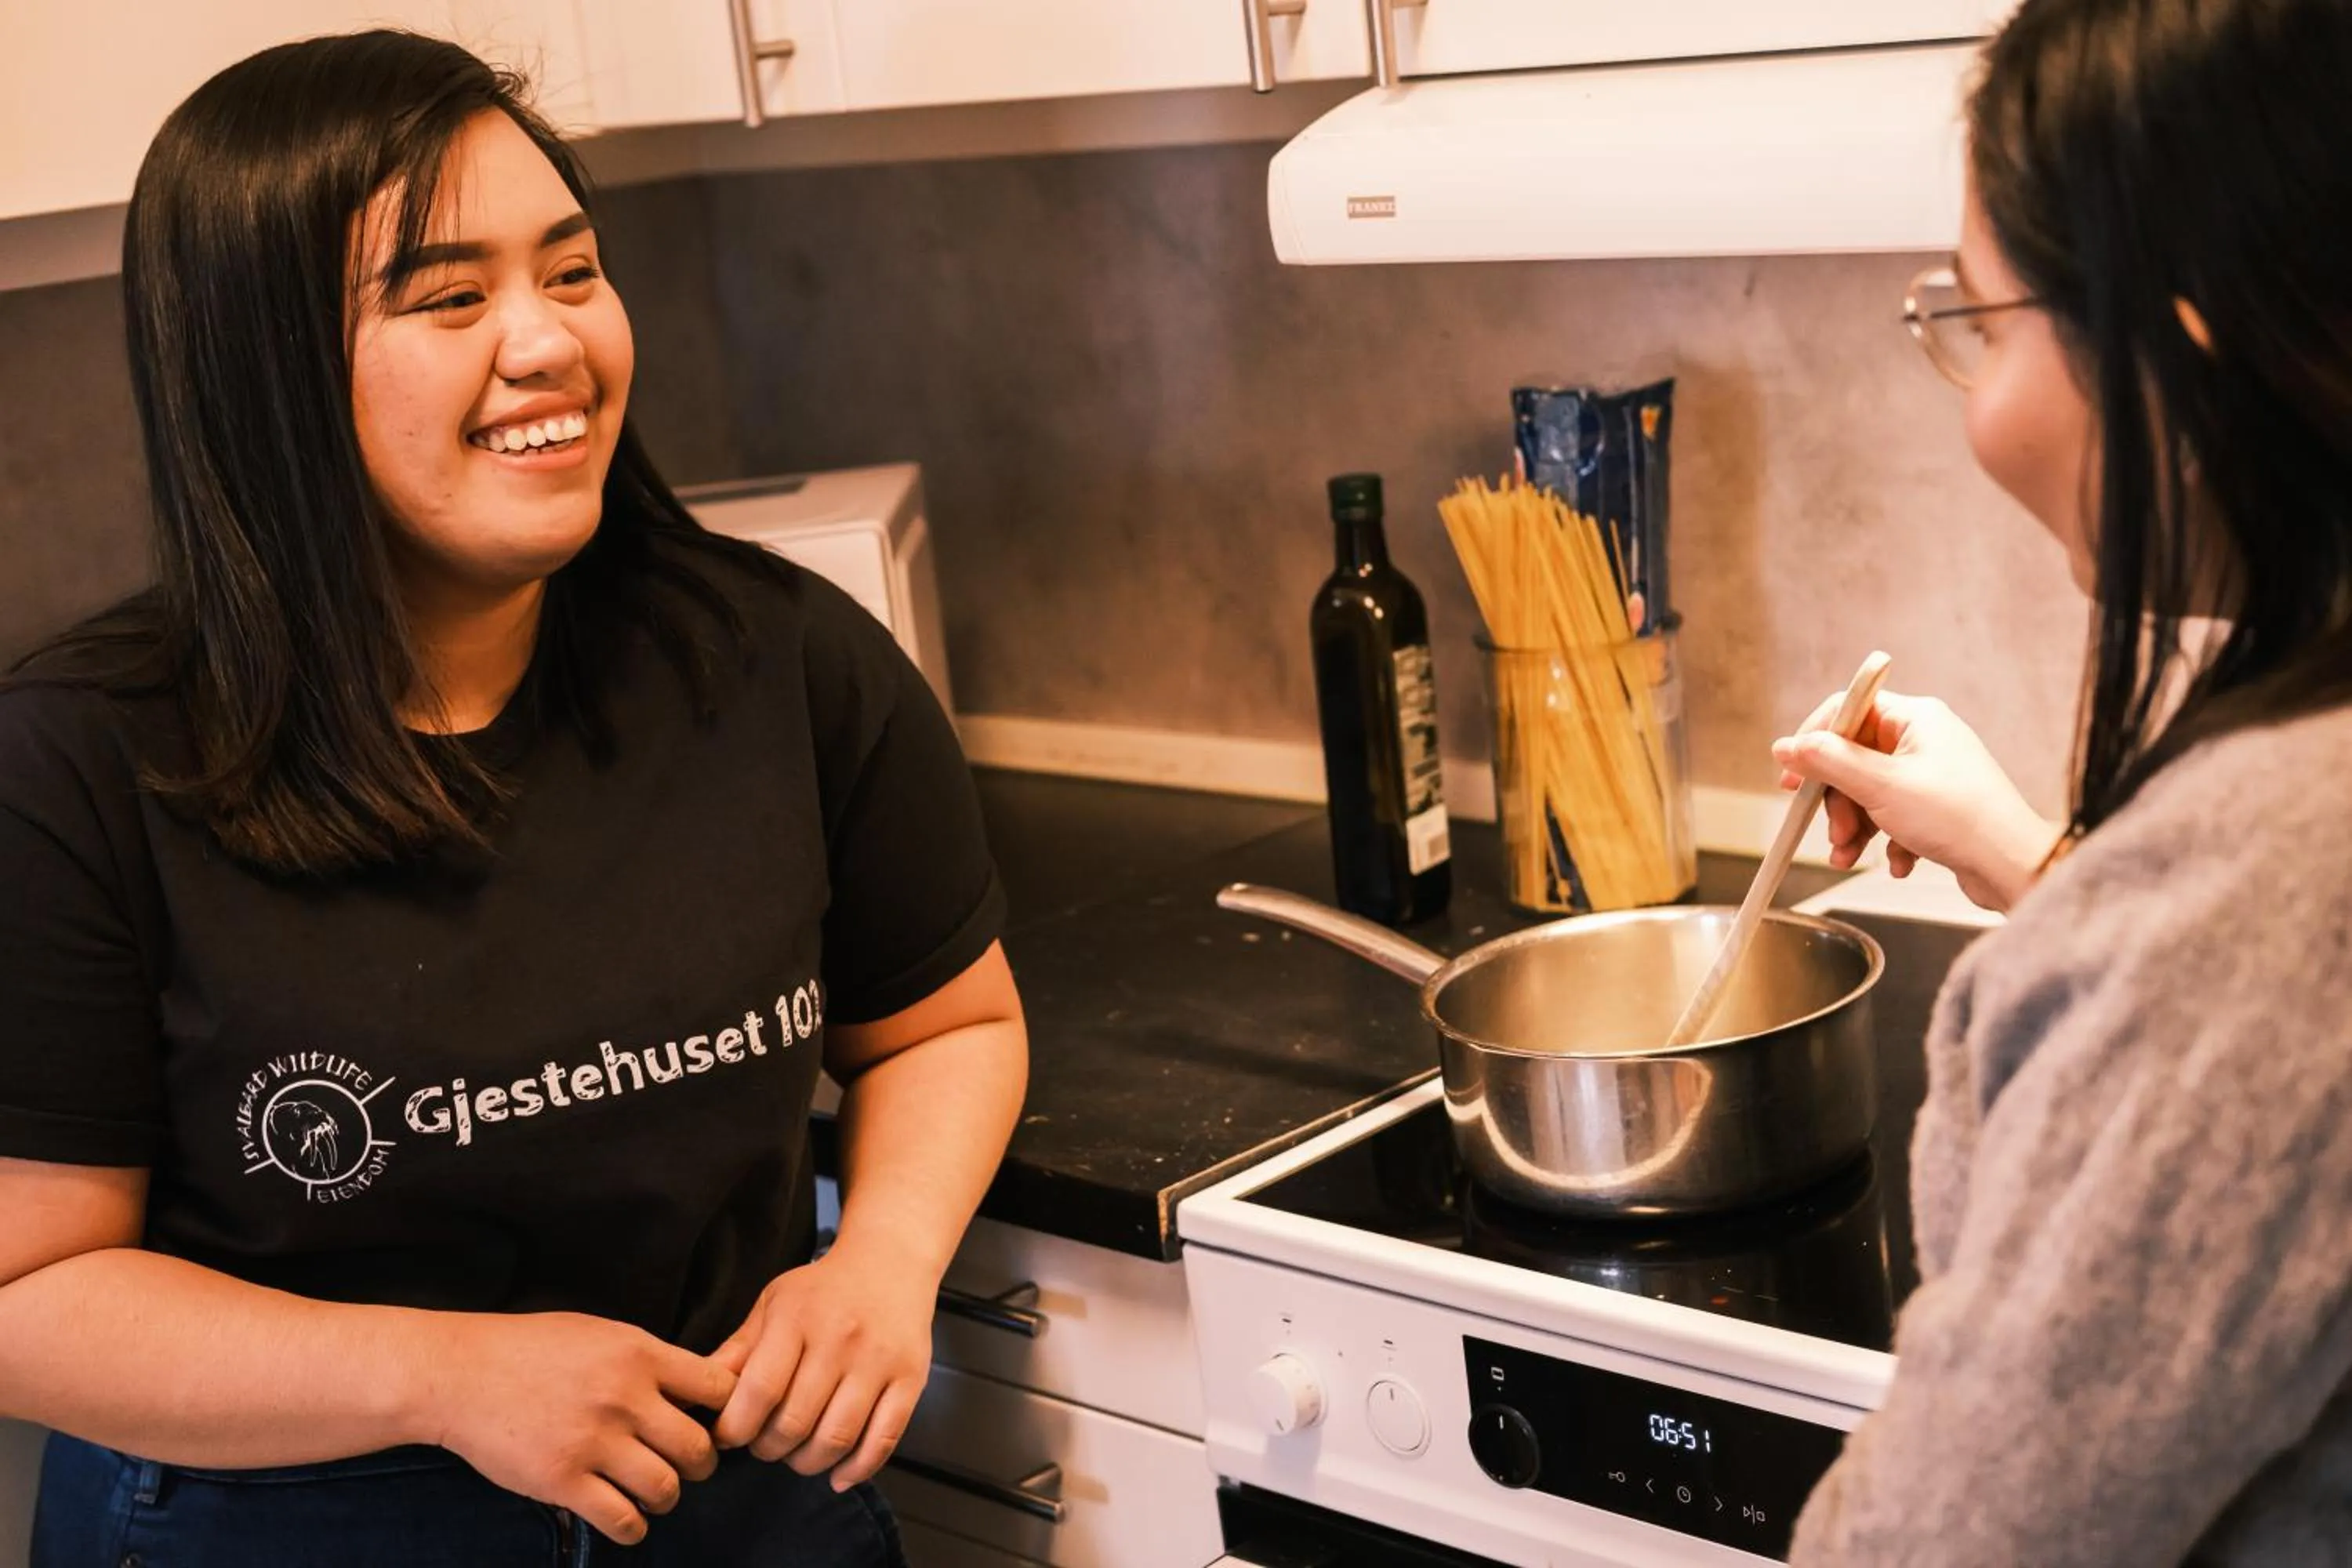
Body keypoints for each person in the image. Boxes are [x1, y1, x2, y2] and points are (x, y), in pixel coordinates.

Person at [0, 30, 1028, 1567]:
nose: (551, 343)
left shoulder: (779, 661)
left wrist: (877, 1260)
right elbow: (27, 1292)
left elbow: (949, 1023)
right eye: (451, 297)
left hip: (735, 1493)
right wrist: (442, 1377)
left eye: (572, 269)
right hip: (283, 1518)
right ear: (261, 364)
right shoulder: (78, 765)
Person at [1774, 0, 2352, 1561]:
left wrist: (2120, 910)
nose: (1972, 389)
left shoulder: (2272, 877)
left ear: (2183, 355)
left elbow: (1956, 1532)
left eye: (1980, 322)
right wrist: (2041, 860)